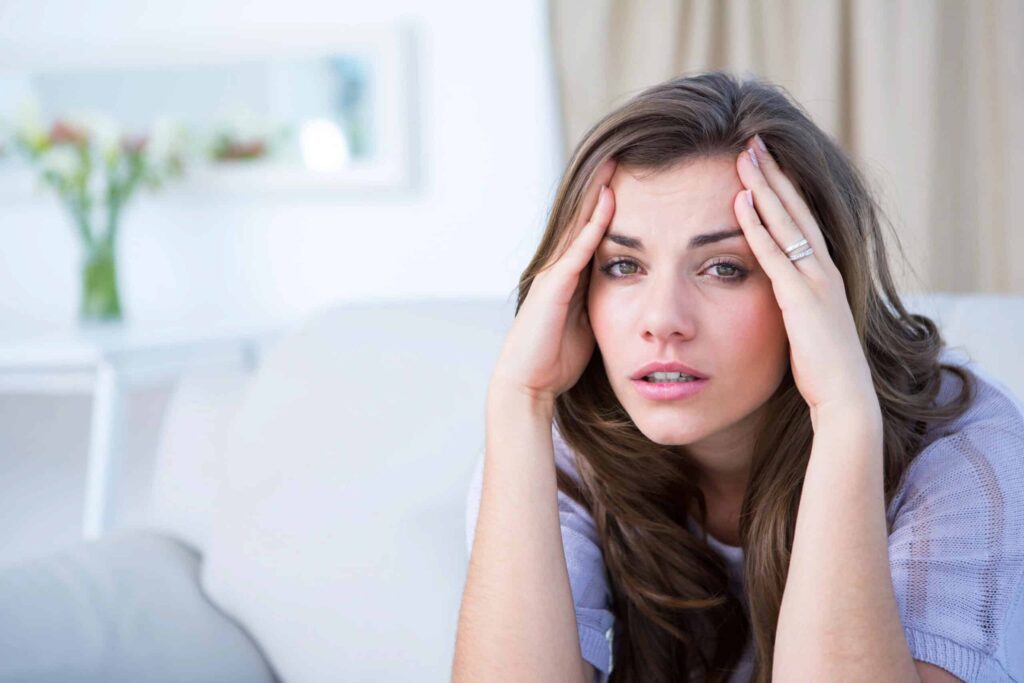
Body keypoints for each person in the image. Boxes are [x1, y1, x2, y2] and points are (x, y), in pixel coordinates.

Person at [451, 70, 1024, 683]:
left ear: (817, 289)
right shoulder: (555, 446)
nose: (662, 321)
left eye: (724, 268)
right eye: (622, 265)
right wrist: (520, 400)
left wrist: (843, 415)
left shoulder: (964, 457)